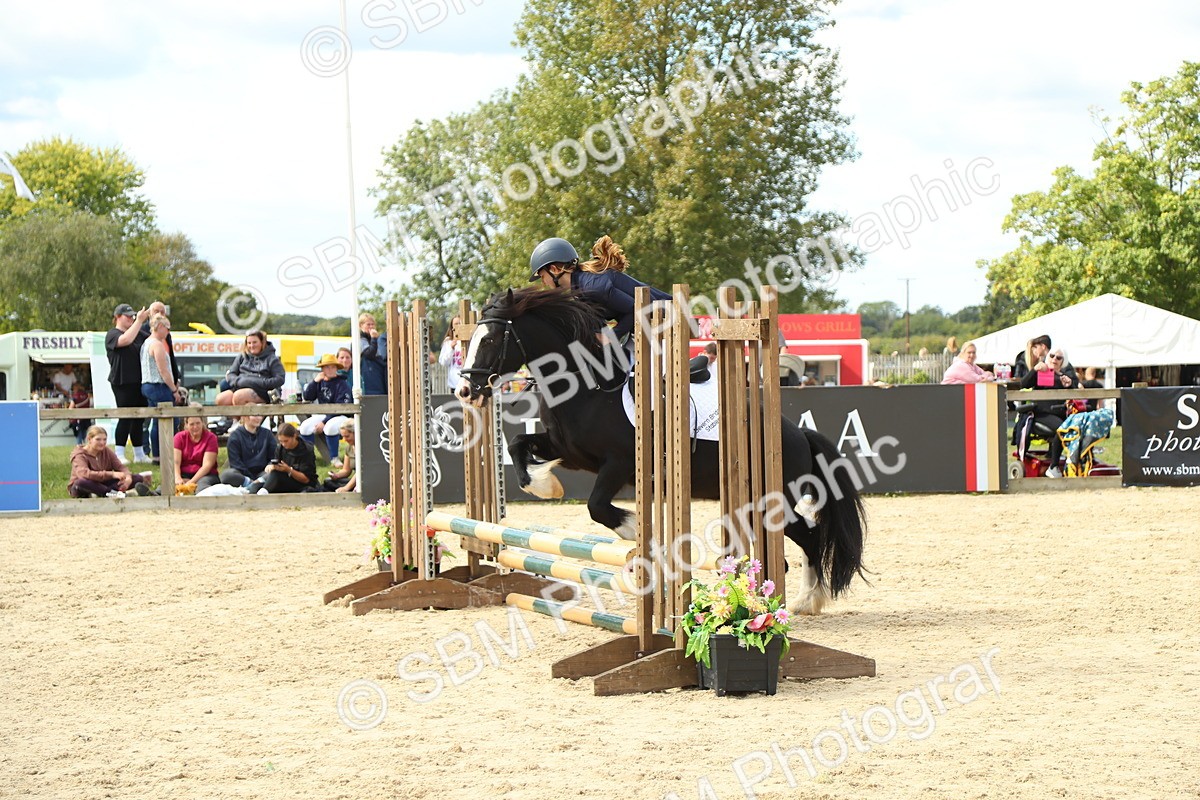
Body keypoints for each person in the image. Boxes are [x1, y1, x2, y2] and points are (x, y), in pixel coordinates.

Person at [529, 235, 671, 349]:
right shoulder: (579, 292)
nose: (543, 283)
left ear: (554, 270)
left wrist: (611, 336)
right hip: (648, 330)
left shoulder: (591, 287)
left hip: (669, 324)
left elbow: (636, 309)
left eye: (542, 276)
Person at [1019, 347, 1079, 478]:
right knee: (1062, 428)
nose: (1054, 359)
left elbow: (1076, 394)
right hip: (1041, 414)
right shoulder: (1040, 372)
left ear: (1063, 361)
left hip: (1061, 414)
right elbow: (1023, 384)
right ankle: (1053, 466)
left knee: (1076, 427)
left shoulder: (1064, 377)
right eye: (1052, 356)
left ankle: (1074, 462)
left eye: (1058, 358)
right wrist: (1035, 369)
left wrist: (1070, 385)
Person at [105, 303, 151, 463]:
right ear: (117, 317)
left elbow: (153, 338)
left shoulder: (138, 333)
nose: (131, 318)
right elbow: (125, 340)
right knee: (125, 416)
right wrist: (139, 321)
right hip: (122, 381)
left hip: (139, 381)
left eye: (133, 316)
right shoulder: (112, 334)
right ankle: (119, 453)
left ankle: (139, 453)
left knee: (139, 418)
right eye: (128, 316)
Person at [140, 314, 184, 462]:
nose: (168, 331)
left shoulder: (146, 343)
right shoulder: (157, 344)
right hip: (157, 385)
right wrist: (174, 390)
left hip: (147, 385)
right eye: (167, 328)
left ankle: (157, 455)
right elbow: (163, 371)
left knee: (157, 421)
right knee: (172, 420)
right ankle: (168, 454)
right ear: (159, 326)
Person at [68, 425, 153, 498]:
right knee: (81, 482)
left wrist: (128, 478)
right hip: (84, 485)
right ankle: (113, 493)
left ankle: (102, 493)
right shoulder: (79, 455)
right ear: (89, 439)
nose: (102, 443)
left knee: (137, 478)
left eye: (104, 439)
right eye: (98, 439)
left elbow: (120, 467)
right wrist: (112, 474)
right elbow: (84, 474)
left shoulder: (106, 450)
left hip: (103, 483)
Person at [298, 353, 353, 460]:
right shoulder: (319, 382)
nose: (330, 370)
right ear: (322, 369)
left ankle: (334, 458)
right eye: (327, 367)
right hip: (324, 414)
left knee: (329, 428)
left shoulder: (342, 384)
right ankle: (308, 458)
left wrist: (324, 422)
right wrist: (314, 382)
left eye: (333, 367)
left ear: (336, 368)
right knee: (304, 427)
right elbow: (308, 396)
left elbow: (340, 407)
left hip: (341, 415)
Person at [215, 330, 285, 407]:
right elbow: (231, 374)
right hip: (239, 387)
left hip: (262, 391)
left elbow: (280, 379)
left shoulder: (272, 359)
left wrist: (255, 382)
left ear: (262, 342)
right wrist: (239, 381)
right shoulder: (242, 357)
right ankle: (239, 414)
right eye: (249, 343)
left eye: (254, 342)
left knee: (239, 396)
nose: (252, 346)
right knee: (221, 399)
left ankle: (251, 414)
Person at [248, 422, 318, 494]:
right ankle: (255, 492)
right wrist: (271, 466)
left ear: (294, 436)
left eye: (286, 441)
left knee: (276, 474)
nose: (284, 444)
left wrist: (289, 470)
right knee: (255, 487)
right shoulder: (280, 448)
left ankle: (263, 492)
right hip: (284, 481)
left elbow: (306, 479)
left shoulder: (306, 450)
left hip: (302, 484)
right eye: (281, 441)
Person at [220, 415, 274, 487]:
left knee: (275, 473)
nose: (259, 418)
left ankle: (255, 485)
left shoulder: (267, 434)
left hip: (263, 472)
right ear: (245, 416)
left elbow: (274, 456)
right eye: (255, 416)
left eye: (260, 416)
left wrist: (270, 464)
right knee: (226, 475)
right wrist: (249, 479)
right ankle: (253, 485)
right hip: (242, 475)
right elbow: (235, 463)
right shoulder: (235, 436)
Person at [173, 414, 221, 493]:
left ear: (202, 423)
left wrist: (191, 482)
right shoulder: (179, 437)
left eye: (198, 423)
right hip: (183, 474)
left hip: (205, 475)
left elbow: (207, 465)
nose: (195, 427)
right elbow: (176, 462)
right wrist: (177, 478)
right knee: (168, 485)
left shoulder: (211, 438)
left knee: (202, 487)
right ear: (186, 425)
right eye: (192, 424)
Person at [323, 420, 357, 492]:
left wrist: (346, 488)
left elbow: (361, 473)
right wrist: (336, 475)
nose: (344, 439)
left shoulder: (365, 448)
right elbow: (346, 470)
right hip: (354, 481)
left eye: (347, 436)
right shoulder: (349, 448)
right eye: (343, 437)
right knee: (327, 482)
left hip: (362, 480)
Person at [358, 313, 388, 396]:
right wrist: (374, 339)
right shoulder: (360, 340)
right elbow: (369, 354)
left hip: (380, 377)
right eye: (368, 324)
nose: (371, 327)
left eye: (373, 324)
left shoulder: (378, 339)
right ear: (361, 325)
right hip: (368, 379)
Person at [439, 316, 465, 393]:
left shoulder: (469, 341)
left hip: (467, 382)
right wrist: (451, 348)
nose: (458, 326)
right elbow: (443, 362)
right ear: (452, 327)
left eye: (460, 323)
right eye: (456, 324)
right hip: (454, 383)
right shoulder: (448, 342)